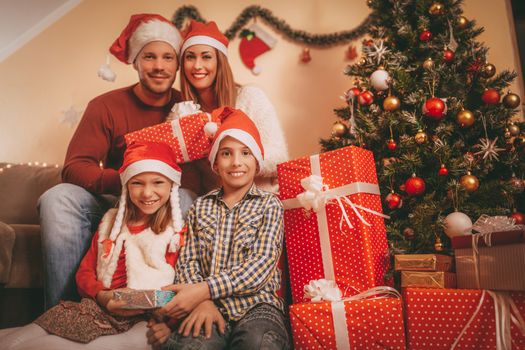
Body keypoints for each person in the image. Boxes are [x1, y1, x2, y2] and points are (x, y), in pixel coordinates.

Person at [38, 13, 196, 310]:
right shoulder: (105, 106)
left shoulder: (188, 109)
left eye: (167, 57)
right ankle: (63, 311)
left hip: (167, 204)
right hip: (115, 200)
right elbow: (74, 166)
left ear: (177, 64)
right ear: (136, 61)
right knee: (57, 199)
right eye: (149, 57)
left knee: (187, 198)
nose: (159, 66)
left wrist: (156, 186)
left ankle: (171, 308)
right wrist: (130, 180)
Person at [2, 141, 189, 348]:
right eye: (137, 183)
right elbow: (85, 273)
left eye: (157, 183)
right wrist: (103, 295)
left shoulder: (177, 233)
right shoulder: (109, 223)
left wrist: (165, 320)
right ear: (126, 186)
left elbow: (183, 290)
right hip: (99, 308)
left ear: (171, 185)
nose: (147, 193)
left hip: (146, 319)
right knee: (18, 339)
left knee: (52, 346)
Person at [147, 107, 290, 350]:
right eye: (226, 153)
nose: (236, 162)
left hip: (258, 307)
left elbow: (259, 266)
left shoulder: (269, 205)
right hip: (207, 308)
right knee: (193, 344)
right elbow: (187, 261)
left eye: (245, 153)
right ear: (215, 163)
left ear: (256, 161)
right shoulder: (200, 207)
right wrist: (200, 301)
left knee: (259, 343)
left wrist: (204, 290)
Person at [176, 20, 289, 195]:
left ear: (220, 62)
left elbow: (279, 157)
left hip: (261, 199)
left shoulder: (250, 97)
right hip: (215, 208)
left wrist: (228, 154)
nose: (197, 66)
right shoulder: (182, 114)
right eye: (190, 57)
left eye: (206, 56)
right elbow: (188, 180)